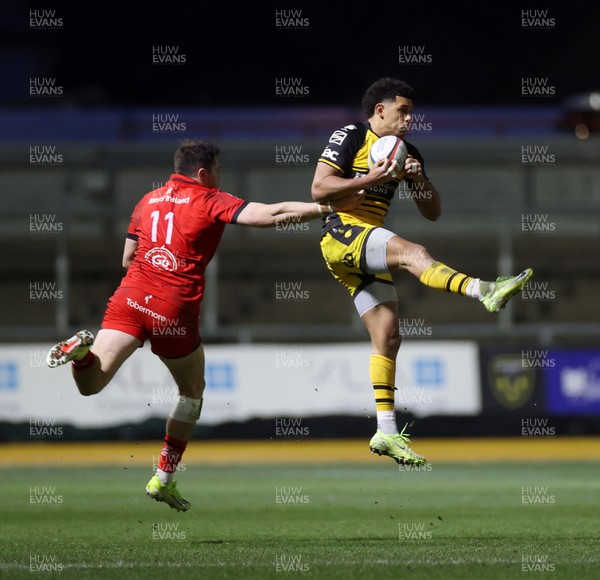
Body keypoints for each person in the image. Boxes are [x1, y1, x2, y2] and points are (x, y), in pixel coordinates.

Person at [46, 139, 364, 511]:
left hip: (130, 297)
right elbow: (269, 215)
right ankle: (163, 478)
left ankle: (81, 353)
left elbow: (127, 258)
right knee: (191, 393)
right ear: (202, 172)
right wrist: (326, 207)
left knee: (91, 383)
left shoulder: (146, 201)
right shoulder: (209, 199)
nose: (218, 176)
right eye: (217, 170)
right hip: (173, 306)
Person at [311, 77, 533, 466]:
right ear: (380, 110)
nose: (410, 119)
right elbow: (319, 188)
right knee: (415, 254)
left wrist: (418, 180)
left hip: (366, 246)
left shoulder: (408, 151)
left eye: (411, 111)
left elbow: (432, 212)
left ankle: (386, 430)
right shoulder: (350, 134)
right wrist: (370, 178)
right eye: (403, 111)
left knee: (388, 335)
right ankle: (483, 290)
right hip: (343, 233)